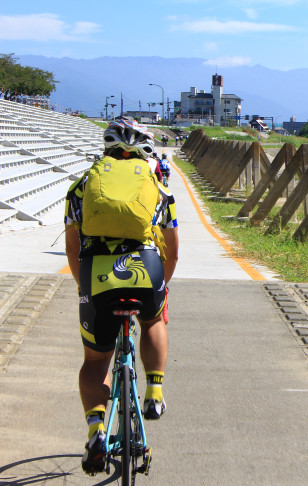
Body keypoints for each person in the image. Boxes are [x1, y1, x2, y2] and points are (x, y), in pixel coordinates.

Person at [65, 118, 179, 475]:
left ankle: (97, 429)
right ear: (144, 154)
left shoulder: (81, 188)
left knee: (97, 359)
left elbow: (72, 248)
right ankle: (155, 392)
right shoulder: (159, 189)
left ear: (107, 148)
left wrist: (84, 288)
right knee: (152, 321)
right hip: (146, 267)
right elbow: (172, 252)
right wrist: (161, 291)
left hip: (96, 271)